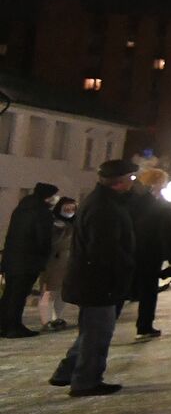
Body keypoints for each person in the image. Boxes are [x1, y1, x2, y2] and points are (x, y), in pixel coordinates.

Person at [49, 160, 137, 397]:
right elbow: (105, 250)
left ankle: (67, 372)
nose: (132, 183)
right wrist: (121, 273)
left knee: (91, 330)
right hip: (99, 282)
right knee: (98, 333)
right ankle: (86, 381)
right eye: (131, 178)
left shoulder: (101, 202)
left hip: (92, 279)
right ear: (120, 182)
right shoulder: (104, 208)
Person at [1, 181, 59, 338]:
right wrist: (44, 256)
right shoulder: (41, 212)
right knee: (18, 296)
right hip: (28, 261)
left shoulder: (22, 209)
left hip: (12, 259)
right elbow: (42, 239)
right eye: (53, 196)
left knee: (9, 294)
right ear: (47, 197)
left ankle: (4, 325)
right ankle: (13, 327)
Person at [129, 168, 171, 339]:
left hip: (133, 251)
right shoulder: (160, 205)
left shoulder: (134, 200)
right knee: (148, 291)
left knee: (129, 289)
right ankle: (144, 326)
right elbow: (169, 234)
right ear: (157, 182)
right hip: (151, 252)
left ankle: (142, 325)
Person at [38, 197, 78, 331]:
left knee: (63, 293)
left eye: (72, 209)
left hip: (69, 262)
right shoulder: (54, 224)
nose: (70, 211)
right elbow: (51, 243)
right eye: (67, 209)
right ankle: (47, 320)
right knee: (49, 292)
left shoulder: (74, 223)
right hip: (54, 262)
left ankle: (57, 318)